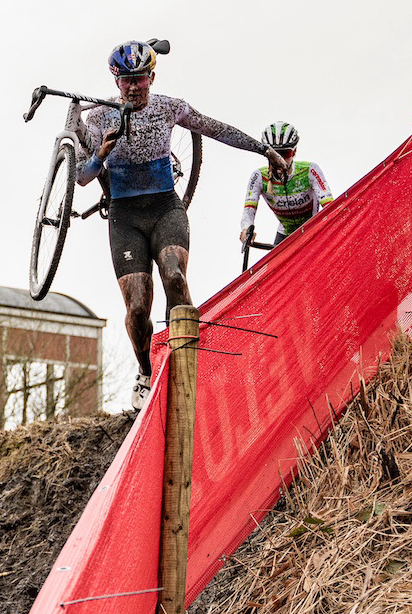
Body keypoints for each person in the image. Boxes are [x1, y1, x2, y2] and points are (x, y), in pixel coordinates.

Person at [75, 41, 288, 411]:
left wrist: (263, 149)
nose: (133, 87)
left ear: (152, 78)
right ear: (116, 80)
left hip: (164, 207)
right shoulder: (100, 117)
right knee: (138, 307)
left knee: (174, 277)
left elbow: (216, 128)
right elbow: (81, 176)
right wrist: (99, 156)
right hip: (125, 217)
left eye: (140, 79)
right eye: (126, 80)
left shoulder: (168, 107)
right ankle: (145, 372)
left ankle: (189, 358)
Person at [238, 123, 333, 245]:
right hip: (284, 234)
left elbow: (330, 205)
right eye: (274, 153)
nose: (279, 159)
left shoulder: (310, 170)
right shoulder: (259, 177)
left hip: (313, 229)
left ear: (294, 151)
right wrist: (246, 229)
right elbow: (248, 210)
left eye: (285, 153)